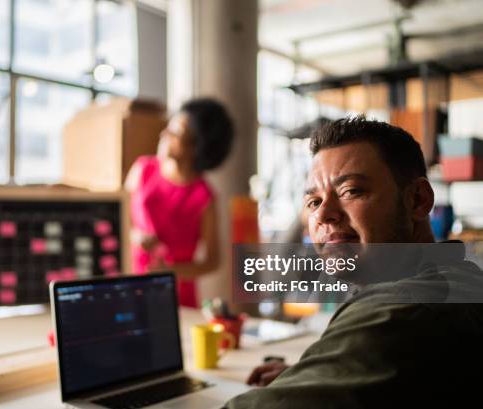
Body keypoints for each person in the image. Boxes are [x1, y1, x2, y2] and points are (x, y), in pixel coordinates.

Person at [226, 117, 483, 408]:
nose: (323, 215)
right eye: (314, 202)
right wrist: (321, 377)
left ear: (417, 200)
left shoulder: (401, 312)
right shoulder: (460, 277)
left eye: (351, 191)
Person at [125, 98, 234, 307]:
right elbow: (122, 220)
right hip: (130, 286)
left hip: (176, 297)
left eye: (175, 133)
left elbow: (213, 261)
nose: (163, 135)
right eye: (168, 128)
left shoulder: (204, 197)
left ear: (196, 146)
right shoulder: (142, 169)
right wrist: (135, 235)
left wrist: (168, 272)